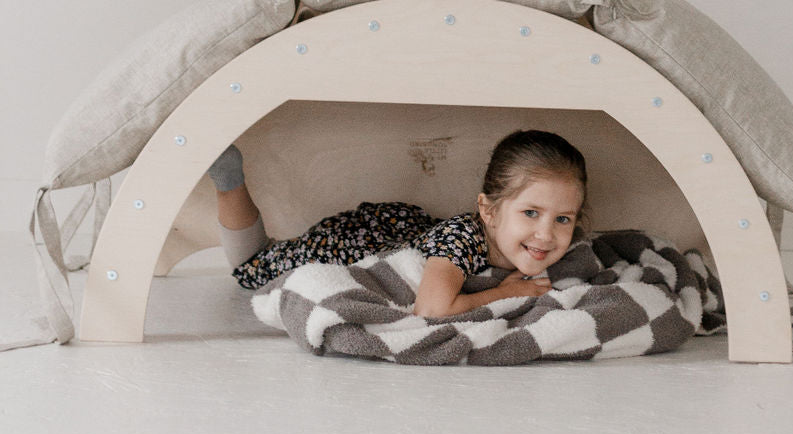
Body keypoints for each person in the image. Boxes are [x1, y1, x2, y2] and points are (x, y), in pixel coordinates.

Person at [207, 128, 589, 319]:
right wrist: (506, 294)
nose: (546, 234)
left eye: (563, 218)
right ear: (488, 211)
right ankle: (230, 183)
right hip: (350, 246)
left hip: (402, 229)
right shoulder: (462, 239)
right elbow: (433, 310)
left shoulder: (538, 240)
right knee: (252, 266)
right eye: (530, 213)